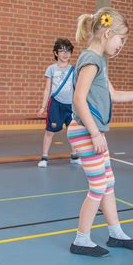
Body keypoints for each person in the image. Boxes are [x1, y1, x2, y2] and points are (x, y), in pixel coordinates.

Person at [67, 7, 133, 257]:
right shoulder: (91, 60)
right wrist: (95, 134)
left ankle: (115, 233)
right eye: (122, 39)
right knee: (98, 186)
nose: (122, 45)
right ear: (108, 33)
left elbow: (113, 95)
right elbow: (78, 99)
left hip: (93, 131)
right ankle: (81, 239)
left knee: (108, 183)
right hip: (86, 131)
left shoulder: (99, 61)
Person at [37, 38, 81, 168]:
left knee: (73, 131)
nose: (65, 53)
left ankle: (74, 155)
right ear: (56, 53)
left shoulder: (74, 70)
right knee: (50, 131)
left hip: (71, 105)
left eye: (67, 51)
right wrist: (43, 106)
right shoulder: (51, 69)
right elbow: (47, 89)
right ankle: (44, 157)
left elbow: (78, 88)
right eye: (61, 51)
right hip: (56, 104)